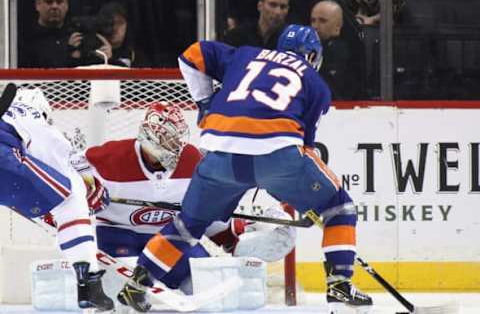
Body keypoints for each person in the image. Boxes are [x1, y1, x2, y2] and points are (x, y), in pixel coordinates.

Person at [118, 24, 373, 313]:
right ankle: (339, 281)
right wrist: (288, 191)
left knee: (187, 225)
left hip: (219, 155)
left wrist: (204, 103)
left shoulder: (246, 55)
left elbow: (191, 55)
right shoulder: (316, 83)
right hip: (276, 155)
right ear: (313, 55)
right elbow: (304, 148)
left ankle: (137, 284)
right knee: (339, 208)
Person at [69, 103, 296, 309]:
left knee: (208, 285)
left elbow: (201, 214)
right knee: (116, 294)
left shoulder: (192, 160)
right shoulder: (112, 156)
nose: (176, 144)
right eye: (169, 138)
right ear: (150, 136)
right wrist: (85, 188)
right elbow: (67, 170)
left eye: (178, 137)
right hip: (115, 235)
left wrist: (233, 237)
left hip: (170, 239)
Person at [0, 86, 114, 311]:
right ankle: (89, 283)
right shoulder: (27, 113)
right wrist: (87, 187)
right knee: (71, 196)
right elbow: (61, 162)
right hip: (4, 164)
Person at [18, 0, 113, 68]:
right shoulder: (27, 38)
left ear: (67, 6)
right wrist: (67, 53)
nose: (54, 6)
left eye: (59, 2)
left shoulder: (78, 34)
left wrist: (107, 58)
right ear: (37, 5)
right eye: (49, 2)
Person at [311, 0, 366, 100]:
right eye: (313, 21)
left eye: (322, 21)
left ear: (338, 26)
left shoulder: (342, 54)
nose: (315, 26)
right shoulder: (308, 50)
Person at [96, 1, 151, 67]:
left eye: (120, 23)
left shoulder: (135, 56)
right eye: (110, 23)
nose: (115, 28)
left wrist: (110, 60)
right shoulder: (95, 53)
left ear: (127, 25)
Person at [223, 0, 289, 49]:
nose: (278, 12)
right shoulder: (237, 36)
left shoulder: (291, 40)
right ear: (260, 6)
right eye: (272, 5)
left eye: (283, 7)